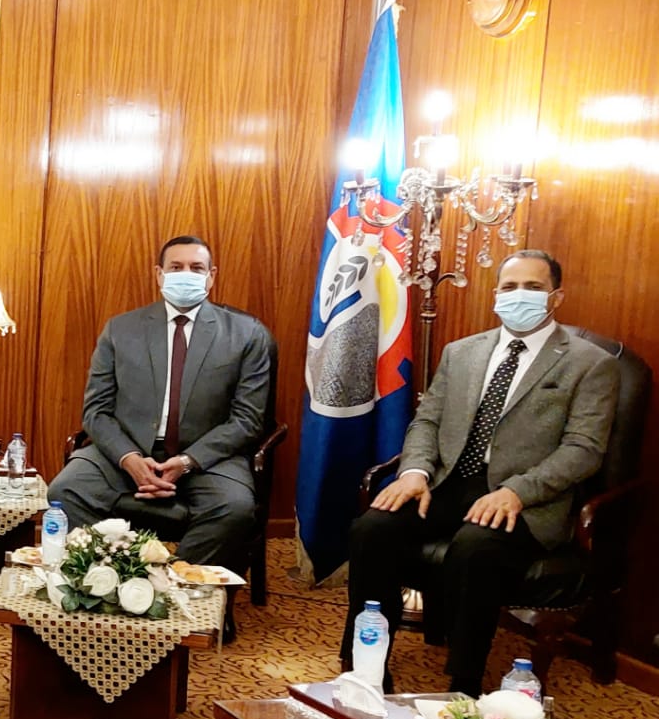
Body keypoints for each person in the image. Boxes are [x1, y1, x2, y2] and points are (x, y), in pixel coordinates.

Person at [341, 249, 617, 695]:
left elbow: (584, 450)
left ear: (557, 297)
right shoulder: (461, 352)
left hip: (524, 499)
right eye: (510, 287)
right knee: (372, 529)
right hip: (449, 482)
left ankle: (464, 681)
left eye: (533, 287)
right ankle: (364, 664)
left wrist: (517, 491)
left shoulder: (590, 363)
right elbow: (427, 421)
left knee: (475, 547)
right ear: (496, 295)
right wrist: (415, 472)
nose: (519, 295)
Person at [47, 236, 274, 639]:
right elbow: (96, 411)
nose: (186, 275)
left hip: (208, 458)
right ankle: (108, 587)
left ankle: (178, 598)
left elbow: (247, 420)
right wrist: (129, 458)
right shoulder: (121, 329)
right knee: (66, 491)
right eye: (176, 267)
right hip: (125, 451)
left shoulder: (246, 333)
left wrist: (186, 462)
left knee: (235, 509)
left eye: (196, 268)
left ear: (211, 277)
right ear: (159, 274)